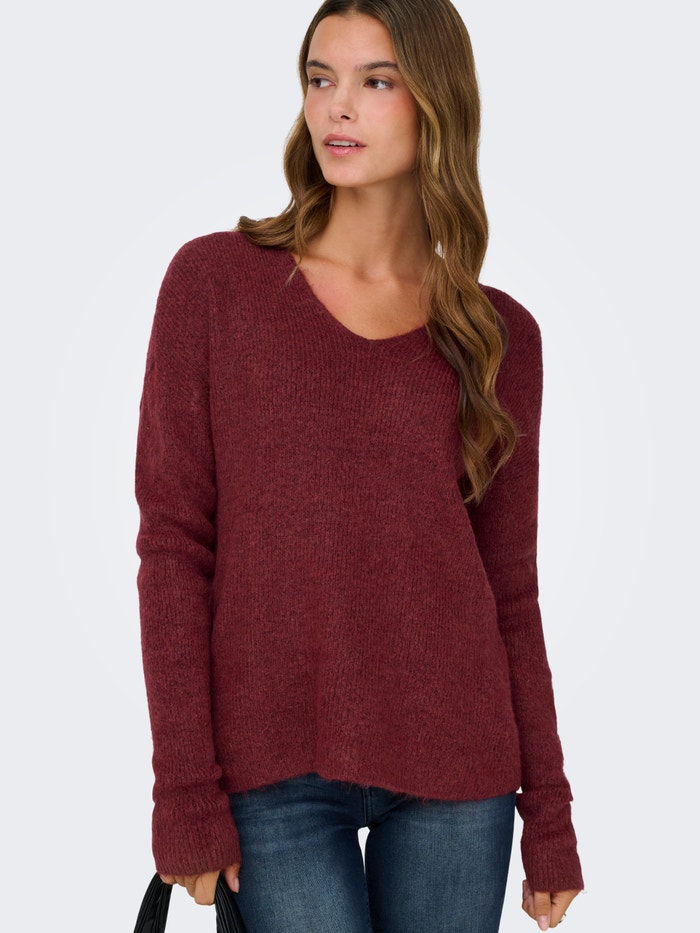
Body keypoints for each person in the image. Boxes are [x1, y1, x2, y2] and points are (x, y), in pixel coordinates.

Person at [135, 1, 584, 930]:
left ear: (437, 103)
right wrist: (183, 790)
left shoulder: (497, 336)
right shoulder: (216, 285)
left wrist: (550, 810)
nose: (337, 106)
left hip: (459, 767)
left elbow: (510, 589)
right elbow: (174, 547)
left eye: (376, 81)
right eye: (320, 78)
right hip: (272, 769)